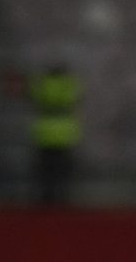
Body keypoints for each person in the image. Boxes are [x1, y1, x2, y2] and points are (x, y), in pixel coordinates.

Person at [30, 61, 80, 205]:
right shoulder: (69, 83)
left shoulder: (42, 83)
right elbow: (76, 98)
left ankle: (46, 197)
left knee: (45, 170)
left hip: (45, 130)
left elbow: (33, 96)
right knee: (63, 170)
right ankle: (63, 198)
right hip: (65, 130)